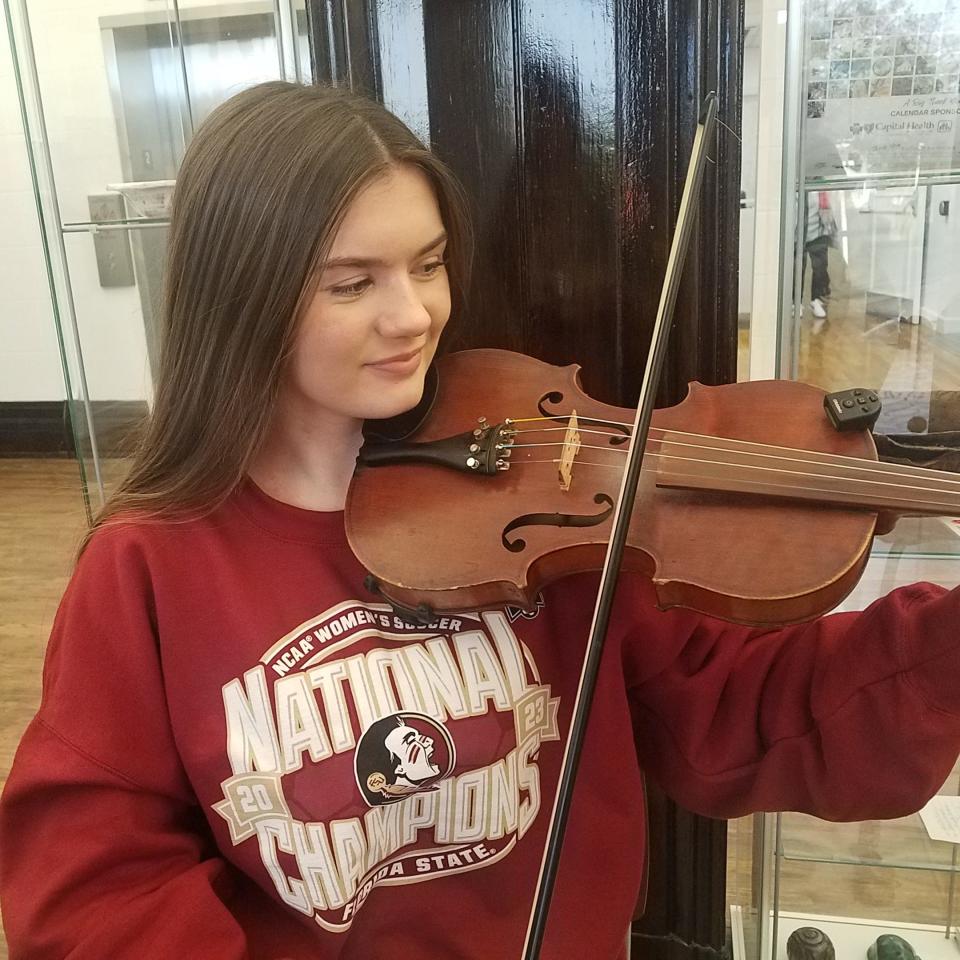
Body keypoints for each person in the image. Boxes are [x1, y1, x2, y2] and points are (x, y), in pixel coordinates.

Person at [2, 80, 960, 960]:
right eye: (353, 282)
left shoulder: (550, 494)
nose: (414, 314)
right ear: (240, 294)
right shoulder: (150, 565)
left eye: (428, 265)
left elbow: (736, 709)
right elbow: (95, 888)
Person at [804, 189, 837, 327]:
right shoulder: (795, 182)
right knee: (797, 266)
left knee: (820, 267)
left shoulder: (821, 186)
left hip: (819, 233)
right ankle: (795, 302)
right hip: (797, 232)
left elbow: (827, 208)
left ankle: (816, 299)